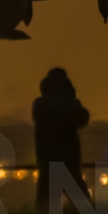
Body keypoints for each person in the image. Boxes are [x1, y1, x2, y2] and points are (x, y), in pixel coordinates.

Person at [32, 67, 90, 206]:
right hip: (69, 160)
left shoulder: (40, 105)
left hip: (47, 159)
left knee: (46, 206)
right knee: (83, 208)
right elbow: (83, 118)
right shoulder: (70, 105)